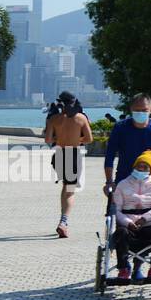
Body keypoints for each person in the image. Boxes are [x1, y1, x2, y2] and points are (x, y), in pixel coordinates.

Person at [110, 149, 151, 280]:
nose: (141, 169)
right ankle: (123, 270)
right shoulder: (122, 184)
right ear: (134, 166)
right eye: (139, 166)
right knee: (121, 233)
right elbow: (116, 210)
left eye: (145, 167)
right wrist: (128, 223)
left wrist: (144, 218)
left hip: (148, 226)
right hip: (128, 227)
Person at [103, 94, 151, 208]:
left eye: (144, 110)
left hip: (150, 179)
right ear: (131, 110)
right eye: (137, 110)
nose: (140, 113)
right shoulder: (120, 128)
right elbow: (110, 155)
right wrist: (109, 182)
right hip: (124, 177)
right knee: (120, 211)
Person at [44, 91, 93, 238]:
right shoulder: (81, 118)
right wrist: (77, 140)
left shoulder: (54, 119)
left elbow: (47, 140)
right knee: (70, 190)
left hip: (59, 153)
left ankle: (63, 220)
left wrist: (59, 137)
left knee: (66, 186)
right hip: (73, 154)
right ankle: (63, 222)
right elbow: (89, 139)